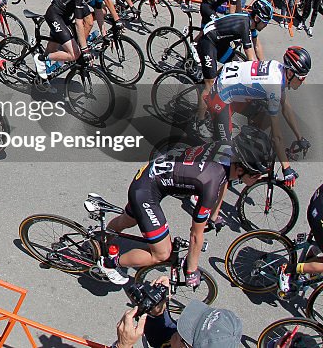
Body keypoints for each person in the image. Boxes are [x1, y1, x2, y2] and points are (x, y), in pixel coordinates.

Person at [98, 132, 272, 286]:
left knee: (130, 219)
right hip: (147, 190)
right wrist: (191, 269)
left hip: (150, 176)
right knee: (162, 254)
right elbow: (196, 235)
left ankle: (100, 239)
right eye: (256, 175)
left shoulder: (227, 149)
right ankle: (110, 263)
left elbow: (224, 181)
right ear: (241, 169)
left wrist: (214, 215)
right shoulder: (210, 183)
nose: (259, 179)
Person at [205, 48, 310, 183]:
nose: (303, 82)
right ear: (290, 73)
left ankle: (246, 147)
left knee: (264, 118)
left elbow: (287, 108)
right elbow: (277, 138)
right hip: (221, 97)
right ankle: (202, 187)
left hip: (233, 89)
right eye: (301, 78)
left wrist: (299, 137)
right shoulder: (274, 87)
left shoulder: (278, 69)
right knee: (224, 153)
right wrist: (286, 168)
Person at [35, 0, 119, 79]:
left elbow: (99, 11)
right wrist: (84, 50)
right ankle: (41, 58)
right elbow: (80, 23)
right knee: (74, 54)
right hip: (55, 14)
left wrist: (104, 34)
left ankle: (47, 68)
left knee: (55, 44)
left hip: (66, 16)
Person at [113, 296, 242, 348]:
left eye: (186, 333)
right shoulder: (178, 340)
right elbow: (165, 334)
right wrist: (157, 314)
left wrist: (123, 345)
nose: (178, 329)